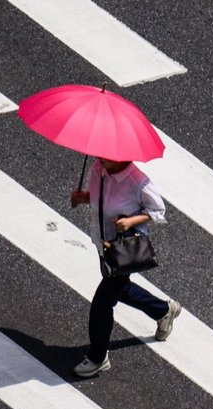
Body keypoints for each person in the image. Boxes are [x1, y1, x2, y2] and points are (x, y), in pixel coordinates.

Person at [70, 157, 181, 378]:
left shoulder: (137, 181)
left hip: (124, 248)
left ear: (122, 157)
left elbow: (157, 210)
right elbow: (100, 198)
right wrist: (84, 198)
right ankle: (163, 310)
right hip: (103, 243)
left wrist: (131, 221)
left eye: (106, 155)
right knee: (121, 289)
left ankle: (98, 357)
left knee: (102, 303)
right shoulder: (98, 170)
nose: (100, 158)